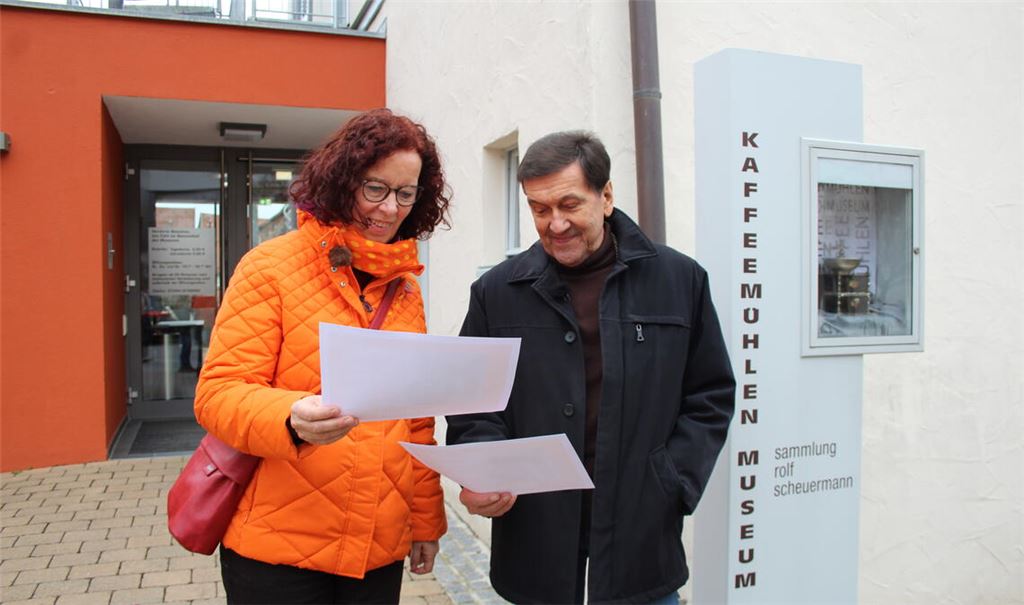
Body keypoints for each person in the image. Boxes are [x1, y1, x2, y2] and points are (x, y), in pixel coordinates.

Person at [447, 131, 736, 604]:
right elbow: (471, 402)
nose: (555, 223)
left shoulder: (679, 280)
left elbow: (710, 395)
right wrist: (483, 466)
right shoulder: (496, 293)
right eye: (539, 209)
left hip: (642, 544)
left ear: (606, 197)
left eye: (569, 205)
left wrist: (673, 482)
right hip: (533, 541)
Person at [194, 108, 450, 605]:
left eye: (406, 193)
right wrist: (290, 417)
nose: (389, 208)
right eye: (375, 188)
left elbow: (415, 422)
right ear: (343, 181)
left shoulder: (405, 290)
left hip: (376, 549)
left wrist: (425, 520)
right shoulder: (270, 267)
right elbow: (218, 394)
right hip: (278, 549)